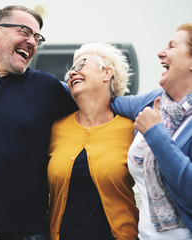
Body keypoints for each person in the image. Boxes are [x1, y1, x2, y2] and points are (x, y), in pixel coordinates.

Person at [0, 5, 78, 240]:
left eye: (37, 37)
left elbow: (98, 106)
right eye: (24, 31)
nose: (32, 42)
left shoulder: (47, 88)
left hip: (26, 233)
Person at [48, 42, 139, 240]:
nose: (72, 73)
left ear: (107, 73)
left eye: (81, 66)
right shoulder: (55, 128)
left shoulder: (132, 129)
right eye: (71, 70)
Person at [124, 23, 192, 239]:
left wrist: (156, 133)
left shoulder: (155, 122)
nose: (160, 52)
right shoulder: (156, 101)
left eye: (172, 46)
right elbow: (102, 99)